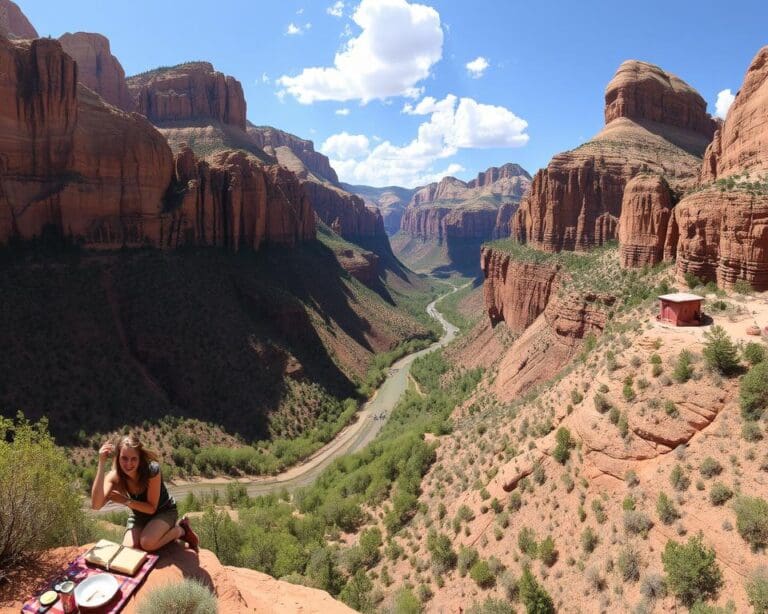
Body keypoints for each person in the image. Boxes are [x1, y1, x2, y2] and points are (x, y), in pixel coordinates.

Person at [91, 434, 199, 553]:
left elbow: (151, 508)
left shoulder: (152, 471)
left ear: (140, 458)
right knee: (128, 549)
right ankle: (153, 530)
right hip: (140, 515)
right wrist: (101, 463)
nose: (128, 464)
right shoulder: (115, 476)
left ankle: (180, 530)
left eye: (133, 459)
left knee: (147, 543)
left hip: (164, 511)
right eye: (124, 458)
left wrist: (125, 501)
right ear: (118, 457)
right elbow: (96, 505)